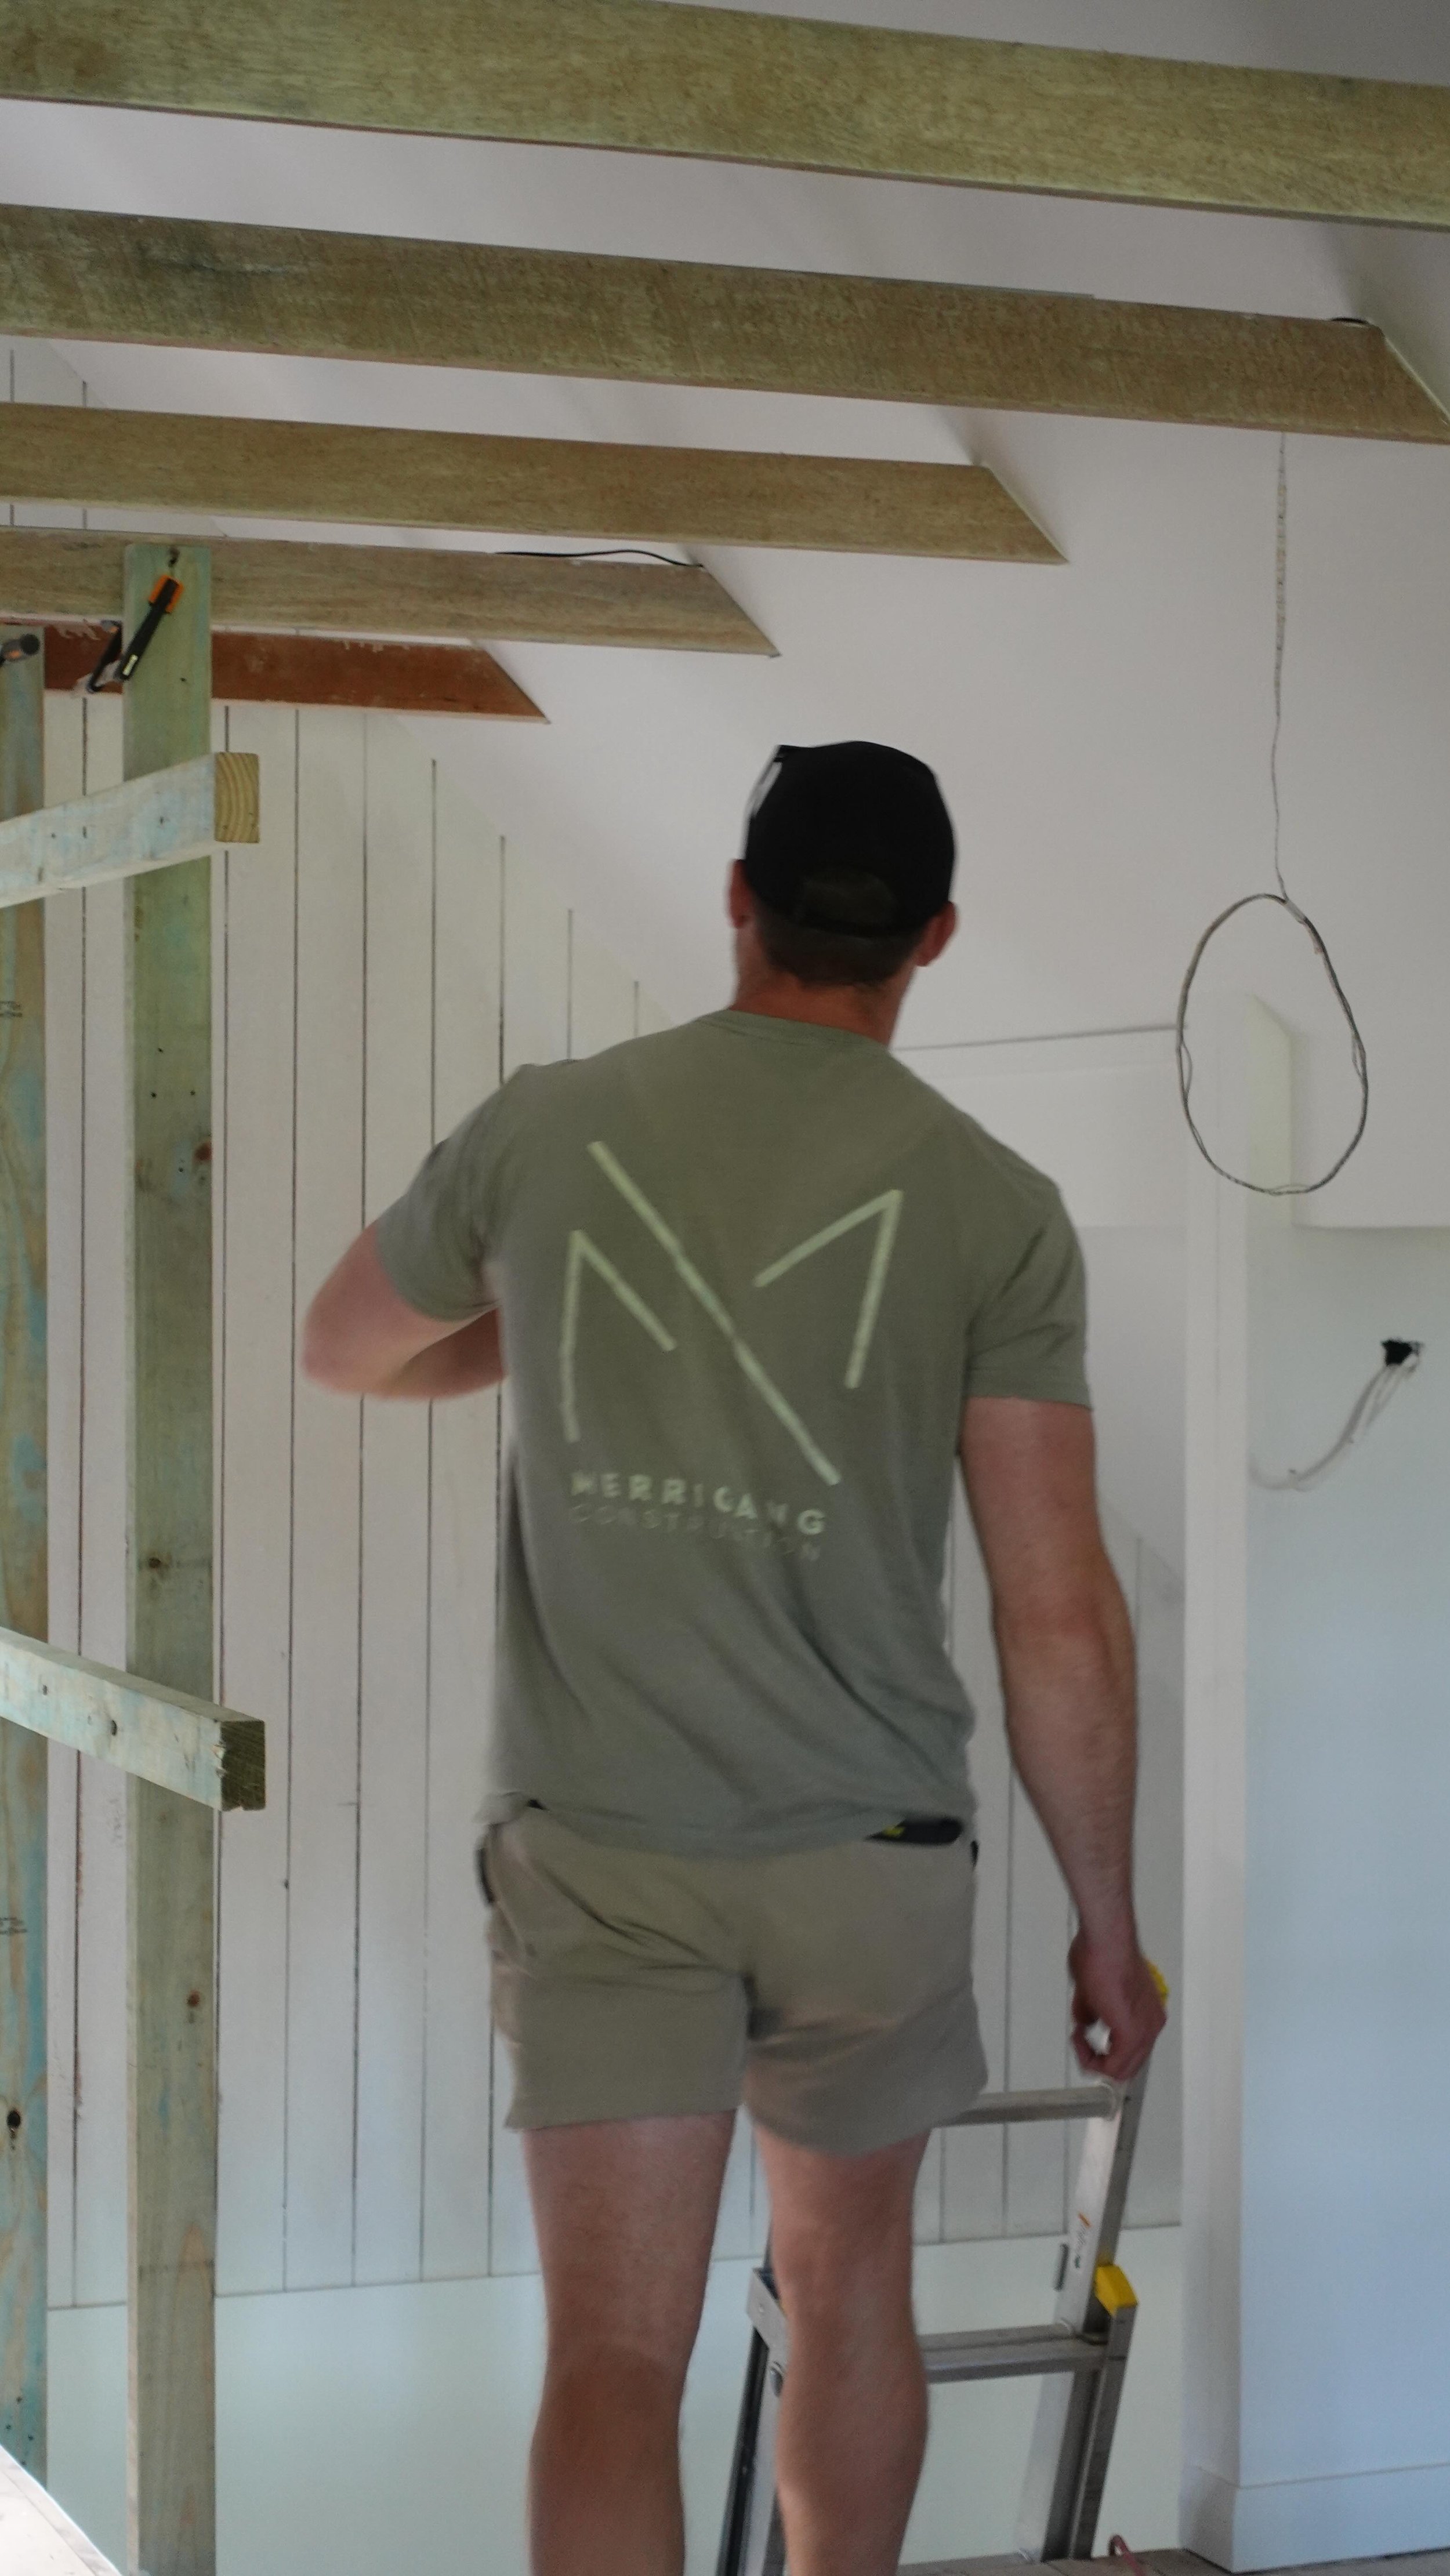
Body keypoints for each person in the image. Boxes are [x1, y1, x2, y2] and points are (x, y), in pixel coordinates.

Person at [303, 741, 1166, 2576]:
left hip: (605, 1852)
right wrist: (1106, 1920)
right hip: (870, 1857)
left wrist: (530, 1318)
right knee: (846, 2294)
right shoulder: (993, 1200)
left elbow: (346, 1349)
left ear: (733, 898)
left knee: (614, 2358)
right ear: (932, 935)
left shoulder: (551, 1126)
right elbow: (1057, 1609)